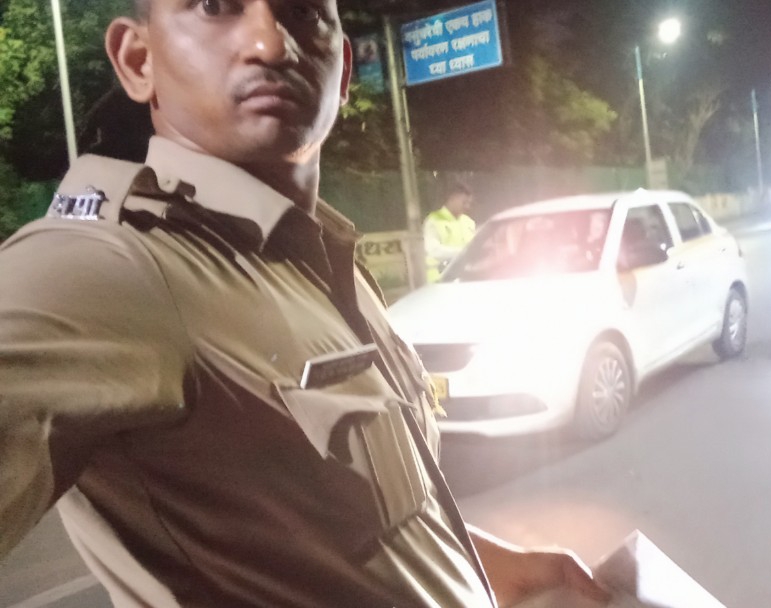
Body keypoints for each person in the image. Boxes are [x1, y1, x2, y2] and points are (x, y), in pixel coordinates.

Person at [0, 1, 608, 606]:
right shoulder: (113, 267)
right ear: (139, 61)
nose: (270, 44)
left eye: (304, 13)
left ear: (342, 71)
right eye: (216, 6)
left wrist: (487, 568)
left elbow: (356, 526)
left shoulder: (323, 256)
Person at [424, 183, 477, 282]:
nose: (467, 207)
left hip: (465, 279)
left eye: (469, 203)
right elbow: (433, 250)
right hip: (440, 280)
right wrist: (463, 252)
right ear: (452, 199)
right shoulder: (433, 221)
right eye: (464, 202)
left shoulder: (469, 222)